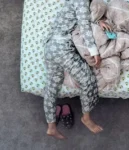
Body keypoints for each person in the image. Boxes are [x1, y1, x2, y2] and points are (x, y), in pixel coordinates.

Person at [43, 0, 111, 139]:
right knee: (87, 79)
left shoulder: (73, 3)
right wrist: (94, 51)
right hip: (62, 49)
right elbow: (84, 26)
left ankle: (51, 126)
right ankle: (86, 117)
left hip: (50, 47)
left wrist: (98, 22)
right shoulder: (81, 1)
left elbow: (80, 20)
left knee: (52, 87)